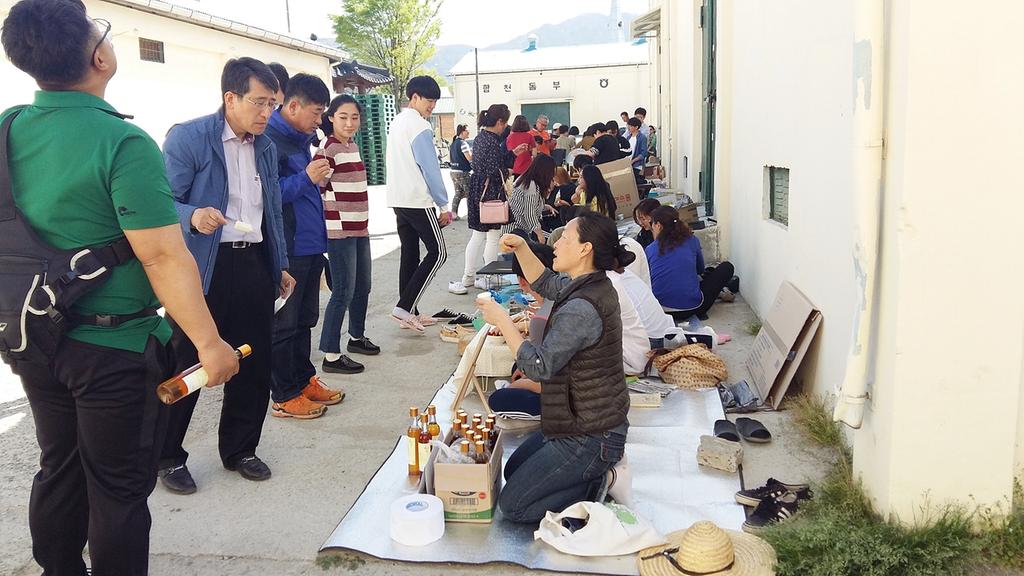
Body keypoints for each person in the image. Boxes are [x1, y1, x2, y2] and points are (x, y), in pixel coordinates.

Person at [1, 2, 239, 571]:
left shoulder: (8, 126)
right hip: (113, 348)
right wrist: (210, 345)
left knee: (58, 463)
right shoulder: (122, 143)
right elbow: (161, 254)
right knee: (116, 488)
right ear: (98, 56)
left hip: (31, 334)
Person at [159, 57, 294, 492]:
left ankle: (240, 449)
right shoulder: (190, 137)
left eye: (272, 104)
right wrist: (193, 214)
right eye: (258, 103)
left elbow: (270, 209)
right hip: (203, 266)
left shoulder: (266, 146)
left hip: (252, 261)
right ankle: (167, 456)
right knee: (189, 358)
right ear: (230, 97)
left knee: (253, 359)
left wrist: (280, 263)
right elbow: (161, 203)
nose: (265, 113)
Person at [477, 211, 632, 523]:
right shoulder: (588, 283)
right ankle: (588, 475)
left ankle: (599, 483)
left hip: (592, 436)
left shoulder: (581, 307)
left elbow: (539, 366)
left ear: (585, 249)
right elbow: (546, 282)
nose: (556, 243)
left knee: (513, 506)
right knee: (512, 468)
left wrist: (504, 322)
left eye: (565, 238)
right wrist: (522, 247)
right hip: (575, 423)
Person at [264, 73, 344, 419]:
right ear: (293, 105)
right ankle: (283, 393)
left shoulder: (301, 140)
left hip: (311, 243)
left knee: (305, 319)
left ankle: (304, 379)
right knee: (285, 322)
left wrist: (315, 179)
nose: (319, 119)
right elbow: (269, 196)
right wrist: (307, 178)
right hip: (290, 246)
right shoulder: (268, 142)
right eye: (316, 111)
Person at [317, 95, 381, 378]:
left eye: (354, 117)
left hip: (360, 228)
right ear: (331, 118)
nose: (349, 123)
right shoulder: (327, 148)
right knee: (342, 290)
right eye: (343, 117)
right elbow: (317, 187)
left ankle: (356, 337)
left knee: (363, 286)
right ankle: (331, 353)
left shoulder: (352, 146)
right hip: (339, 231)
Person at [386, 75, 450, 332]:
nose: (432, 106)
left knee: (410, 253)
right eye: (429, 100)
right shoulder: (420, 126)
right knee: (438, 252)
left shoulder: (397, 122)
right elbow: (430, 168)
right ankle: (403, 308)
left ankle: (408, 312)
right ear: (414, 97)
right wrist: (444, 204)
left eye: (435, 101)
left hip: (398, 198)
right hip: (417, 198)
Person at [451, 104, 527, 294]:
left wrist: (512, 153)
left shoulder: (481, 138)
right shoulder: (492, 140)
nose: (505, 127)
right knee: (492, 237)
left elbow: (488, 164)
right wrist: (508, 170)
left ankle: (468, 277)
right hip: (490, 193)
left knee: (477, 236)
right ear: (499, 122)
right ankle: (488, 277)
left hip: (479, 191)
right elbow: (493, 170)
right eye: (505, 123)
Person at [646, 206, 735, 321]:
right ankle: (721, 291)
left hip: (660, 311)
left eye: (651, 224)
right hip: (694, 308)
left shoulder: (650, 249)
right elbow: (700, 270)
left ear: (658, 225)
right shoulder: (692, 240)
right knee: (726, 267)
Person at [506, 153, 557, 243]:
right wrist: (540, 234)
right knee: (553, 239)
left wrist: (545, 206)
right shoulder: (531, 185)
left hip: (516, 228)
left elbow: (527, 205)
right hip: (516, 230)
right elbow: (530, 214)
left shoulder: (525, 179)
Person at [449, 123, 473, 219]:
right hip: (463, 172)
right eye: (467, 130)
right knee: (470, 193)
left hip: (453, 171)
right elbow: (469, 158)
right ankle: (471, 215)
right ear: (462, 132)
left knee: (458, 193)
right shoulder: (463, 143)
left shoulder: (453, 144)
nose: (468, 132)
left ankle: (453, 214)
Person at [506, 114, 535, 178]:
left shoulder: (509, 137)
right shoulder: (529, 136)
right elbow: (534, 153)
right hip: (527, 167)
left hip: (513, 167)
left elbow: (509, 152)